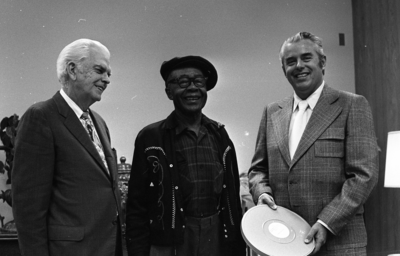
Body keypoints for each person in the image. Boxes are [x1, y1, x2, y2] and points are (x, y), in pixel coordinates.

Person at [248, 32, 379, 256]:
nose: (299, 66)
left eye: (306, 58)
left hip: (339, 244)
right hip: (283, 245)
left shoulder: (351, 105)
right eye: (291, 61)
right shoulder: (272, 112)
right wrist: (262, 192)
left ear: (322, 62)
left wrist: (327, 222)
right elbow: (258, 169)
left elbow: (363, 175)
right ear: (284, 69)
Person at [125, 56, 246, 256]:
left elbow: (232, 197)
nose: (192, 88)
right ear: (168, 92)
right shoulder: (151, 138)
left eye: (198, 82)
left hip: (215, 239)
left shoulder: (220, 135)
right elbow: (136, 205)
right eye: (182, 82)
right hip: (168, 244)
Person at [12, 39, 123, 256]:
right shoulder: (41, 116)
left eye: (109, 73)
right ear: (72, 70)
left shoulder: (99, 122)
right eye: (100, 70)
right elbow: (29, 209)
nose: (107, 79)